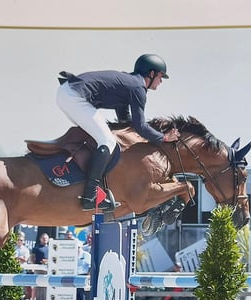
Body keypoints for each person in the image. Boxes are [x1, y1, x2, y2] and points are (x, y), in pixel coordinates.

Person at [56, 54, 181, 211]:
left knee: (100, 137)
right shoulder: (138, 88)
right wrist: (164, 137)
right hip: (74, 96)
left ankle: (86, 182)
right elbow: (140, 126)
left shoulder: (130, 83)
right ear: (151, 73)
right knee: (108, 141)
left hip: (67, 92)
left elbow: (124, 118)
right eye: (160, 76)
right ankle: (90, 195)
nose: (161, 81)